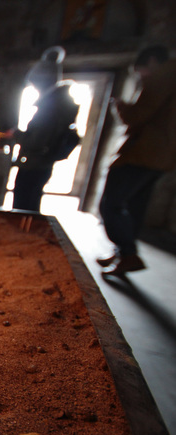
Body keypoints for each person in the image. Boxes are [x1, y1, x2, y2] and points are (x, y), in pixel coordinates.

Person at [98, 45, 176, 276]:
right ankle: (124, 252)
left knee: (110, 204)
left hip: (144, 153)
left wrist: (120, 106)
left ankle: (128, 253)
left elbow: (138, 115)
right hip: (161, 157)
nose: (142, 77)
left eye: (141, 71)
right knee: (133, 207)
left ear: (151, 61)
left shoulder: (165, 76)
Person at [13, 46, 80, 212]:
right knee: (30, 202)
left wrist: (17, 135)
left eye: (36, 85)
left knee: (24, 206)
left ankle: (21, 236)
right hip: (41, 163)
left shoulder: (50, 109)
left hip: (35, 163)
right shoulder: (58, 106)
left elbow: (36, 141)